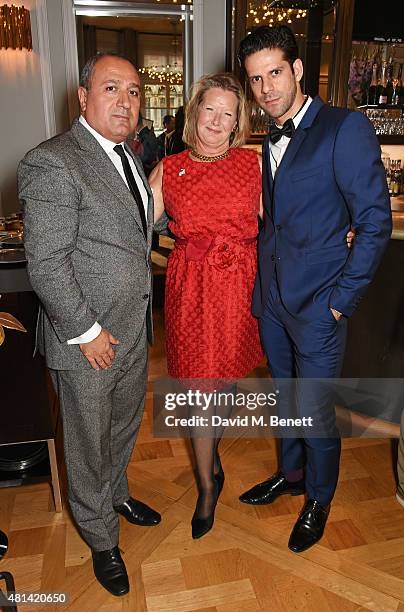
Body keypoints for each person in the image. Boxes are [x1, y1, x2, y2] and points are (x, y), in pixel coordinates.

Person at [237, 25, 392, 553]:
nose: (266, 88)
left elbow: (374, 221)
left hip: (320, 304)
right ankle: (293, 474)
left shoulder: (343, 128)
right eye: (256, 79)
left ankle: (319, 497)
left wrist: (340, 301)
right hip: (275, 302)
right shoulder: (267, 140)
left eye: (275, 73)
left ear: (298, 70)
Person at [18, 53, 163, 597]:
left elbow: (127, 231)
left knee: (122, 427)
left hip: (131, 331)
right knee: (85, 440)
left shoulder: (127, 155)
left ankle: (116, 493)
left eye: (133, 90)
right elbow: (47, 262)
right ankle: (102, 538)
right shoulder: (53, 160)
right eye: (111, 88)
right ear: (83, 97)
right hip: (88, 341)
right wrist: (86, 332)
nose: (125, 101)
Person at [150, 74, 263, 539]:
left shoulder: (253, 167)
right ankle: (206, 488)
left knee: (224, 384)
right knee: (199, 393)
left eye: (228, 114)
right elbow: (135, 226)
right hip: (191, 289)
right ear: (195, 112)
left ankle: (209, 450)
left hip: (239, 287)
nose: (216, 121)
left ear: (238, 123)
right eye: (209, 110)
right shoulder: (168, 168)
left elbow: (283, 222)